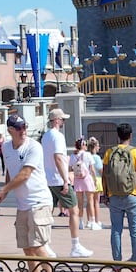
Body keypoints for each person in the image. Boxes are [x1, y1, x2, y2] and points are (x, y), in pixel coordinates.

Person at [0, 115, 65, 272]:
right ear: (10, 130)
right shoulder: (6, 147)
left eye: (24, 126)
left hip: (39, 202)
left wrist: (4, 190)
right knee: (27, 249)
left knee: (38, 246)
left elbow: (25, 174)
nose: (23, 130)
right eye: (18, 128)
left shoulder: (34, 146)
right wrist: (4, 194)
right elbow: (11, 171)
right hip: (23, 205)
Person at [41, 108, 91, 258]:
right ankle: (75, 245)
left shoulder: (45, 136)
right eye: (62, 119)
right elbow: (58, 158)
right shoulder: (58, 136)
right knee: (74, 210)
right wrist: (65, 179)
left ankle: (45, 245)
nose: (64, 122)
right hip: (58, 178)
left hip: (48, 178)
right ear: (57, 120)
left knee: (47, 212)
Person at [101, 122, 136, 263]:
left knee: (116, 230)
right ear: (131, 136)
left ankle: (117, 263)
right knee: (135, 231)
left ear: (118, 136)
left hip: (114, 196)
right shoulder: (135, 152)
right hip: (132, 195)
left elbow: (105, 175)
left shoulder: (110, 152)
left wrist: (105, 194)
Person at [71, 137, 100, 230]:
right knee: (90, 201)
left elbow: (70, 168)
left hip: (77, 180)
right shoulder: (87, 155)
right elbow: (92, 169)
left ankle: (80, 222)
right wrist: (95, 180)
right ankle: (92, 222)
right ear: (82, 146)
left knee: (80, 202)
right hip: (87, 179)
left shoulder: (73, 156)